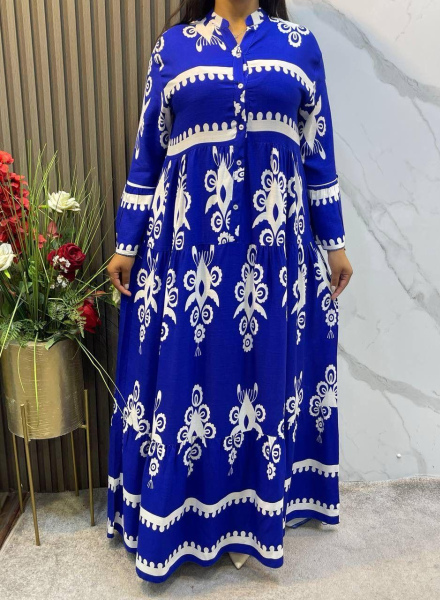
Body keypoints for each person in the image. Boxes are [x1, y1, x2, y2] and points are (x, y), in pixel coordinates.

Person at [106, 0, 353, 584]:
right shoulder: (173, 48)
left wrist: (334, 240)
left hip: (274, 256)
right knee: (189, 378)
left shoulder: (299, 46)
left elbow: (317, 152)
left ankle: (253, 517)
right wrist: (126, 241)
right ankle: (184, 521)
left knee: (266, 381)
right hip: (188, 255)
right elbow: (148, 153)